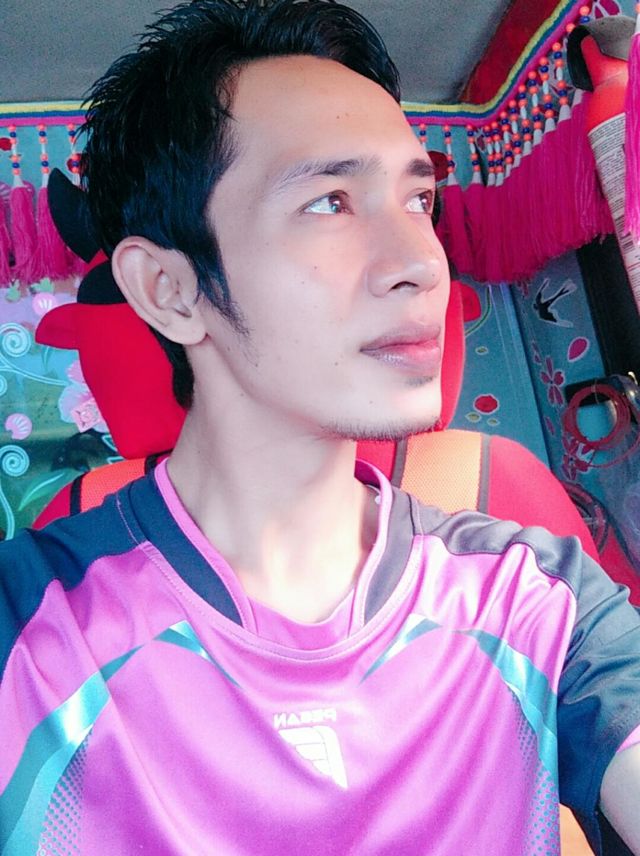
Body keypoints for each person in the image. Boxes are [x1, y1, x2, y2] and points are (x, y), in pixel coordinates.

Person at [1, 1, 639, 853]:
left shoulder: (535, 596)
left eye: (419, 200)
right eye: (329, 202)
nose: (422, 264)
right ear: (169, 289)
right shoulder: (31, 628)